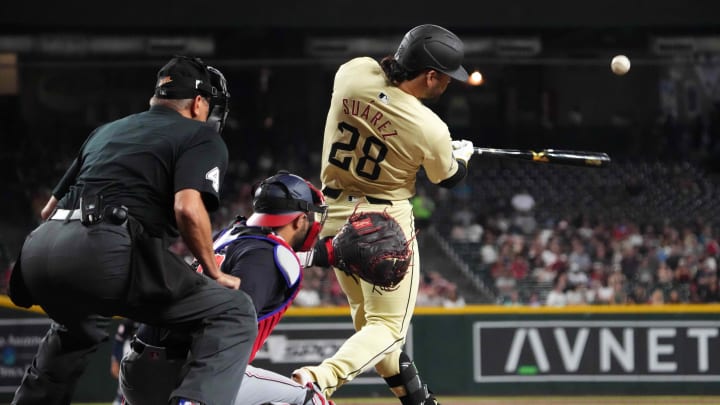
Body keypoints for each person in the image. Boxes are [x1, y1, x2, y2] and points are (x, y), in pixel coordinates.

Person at [8, 55, 258, 405]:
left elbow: (48, 208)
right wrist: (214, 271)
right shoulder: (200, 135)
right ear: (199, 103)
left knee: (76, 328)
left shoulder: (107, 130)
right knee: (232, 309)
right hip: (104, 249)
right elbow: (187, 207)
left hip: (39, 250)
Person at [292, 24, 474, 404]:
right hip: (384, 223)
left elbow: (380, 96)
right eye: (446, 77)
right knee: (388, 329)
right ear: (430, 75)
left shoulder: (353, 72)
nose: (447, 84)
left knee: (372, 334)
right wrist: (460, 156)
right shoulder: (430, 127)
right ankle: (319, 380)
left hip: (334, 215)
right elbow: (450, 178)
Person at [119, 171, 333, 405]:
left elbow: (254, 258)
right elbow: (225, 329)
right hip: (183, 374)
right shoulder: (272, 255)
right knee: (309, 400)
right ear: (300, 219)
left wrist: (322, 255)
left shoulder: (228, 236)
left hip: (140, 367)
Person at [110, 319, 138, 405]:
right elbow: (118, 341)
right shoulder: (129, 320)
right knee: (126, 378)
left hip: (147, 349)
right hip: (132, 349)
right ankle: (119, 399)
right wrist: (115, 361)